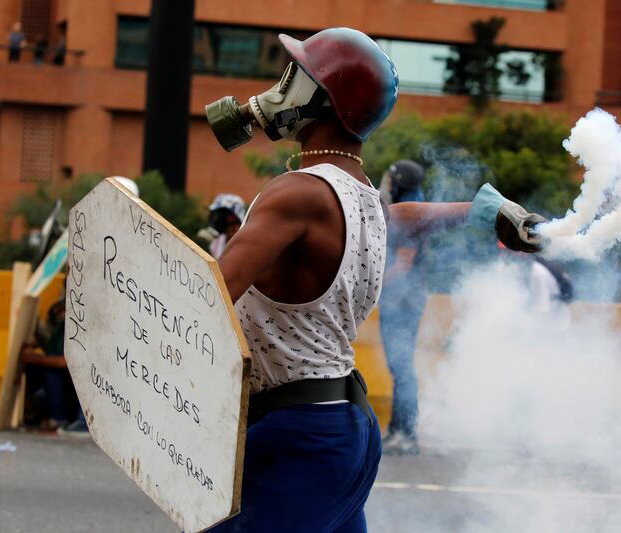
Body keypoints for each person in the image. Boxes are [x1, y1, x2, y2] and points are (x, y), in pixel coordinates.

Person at [209, 27, 545, 532]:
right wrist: (481, 211)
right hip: (344, 428)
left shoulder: (296, 192)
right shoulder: (360, 197)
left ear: (324, 98)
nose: (279, 87)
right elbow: (400, 216)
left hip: (297, 434)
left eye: (294, 75)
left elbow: (204, 298)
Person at [377, 160, 428, 456]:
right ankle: (398, 430)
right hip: (404, 300)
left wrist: (371, 285)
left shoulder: (410, 213)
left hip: (403, 301)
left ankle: (406, 433)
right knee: (400, 367)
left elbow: (403, 263)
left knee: (402, 367)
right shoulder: (413, 206)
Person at [22, 299, 88, 434]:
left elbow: (67, 362)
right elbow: (50, 346)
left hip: (75, 387)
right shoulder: (60, 326)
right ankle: (44, 415)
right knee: (35, 368)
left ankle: (63, 419)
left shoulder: (79, 324)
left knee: (50, 369)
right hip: (64, 388)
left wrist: (38, 358)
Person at [199, 193, 246, 259]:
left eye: (221, 216)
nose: (217, 220)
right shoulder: (216, 242)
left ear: (235, 218)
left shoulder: (245, 246)